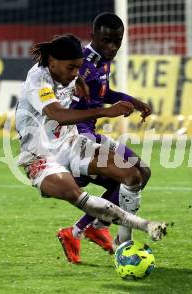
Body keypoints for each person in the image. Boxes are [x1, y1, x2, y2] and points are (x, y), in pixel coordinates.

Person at [15, 33, 167, 264]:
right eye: (71, 68)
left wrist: (77, 80)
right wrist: (105, 111)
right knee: (77, 195)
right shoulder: (39, 79)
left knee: (133, 175)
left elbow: (83, 87)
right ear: (53, 62)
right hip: (39, 156)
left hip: (71, 143)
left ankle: (123, 244)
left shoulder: (68, 74)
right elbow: (57, 114)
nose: (76, 72)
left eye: (78, 68)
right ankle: (142, 226)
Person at [56, 12, 153, 263]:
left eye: (117, 42)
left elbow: (104, 91)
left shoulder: (102, 61)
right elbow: (62, 104)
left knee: (142, 171)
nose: (112, 47)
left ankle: (91, 228)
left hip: (92, 133)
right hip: (75, 138)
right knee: (127, 177)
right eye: (106, 41)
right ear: (93, 36)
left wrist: (134, 101)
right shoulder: (79, 64)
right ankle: (118, 240)